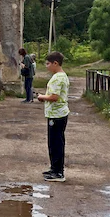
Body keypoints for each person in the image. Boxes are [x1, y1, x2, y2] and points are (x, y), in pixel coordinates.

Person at [36, 51, 70, 182]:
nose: (46, 66)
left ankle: (58, 172)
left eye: (48, 63)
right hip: (59, 114)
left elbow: (54, 97)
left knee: (55, 143)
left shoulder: (57, 78)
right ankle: (55, 168)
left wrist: (41, 97)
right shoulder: (63, 76)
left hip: (56, 115)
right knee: (55, 142)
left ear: (55, 63)